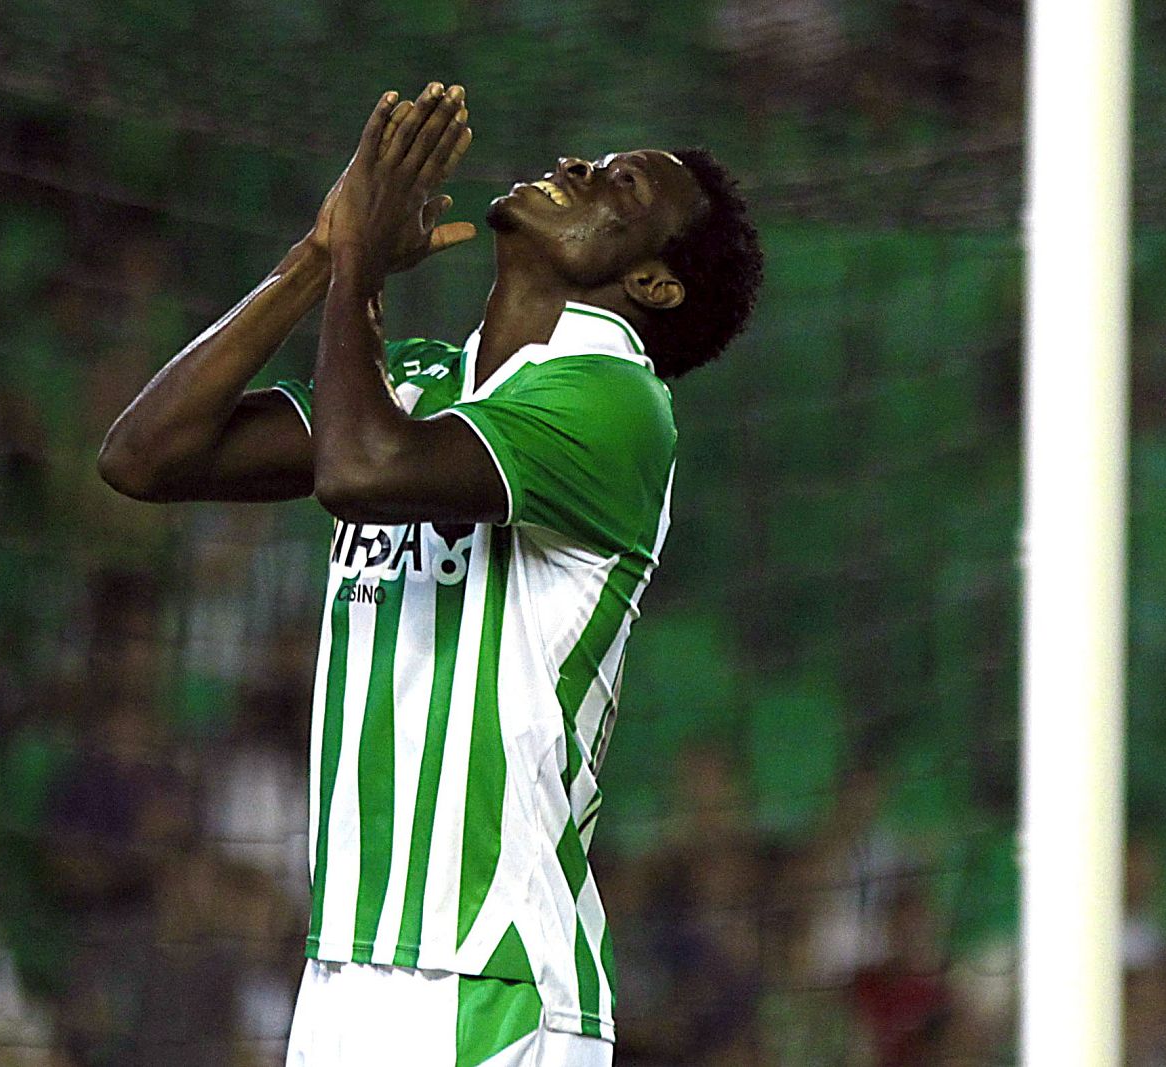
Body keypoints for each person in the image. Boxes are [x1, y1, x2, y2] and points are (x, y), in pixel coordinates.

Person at [98, 81, 763, 1067]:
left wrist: (360, 261)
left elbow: (362, 473)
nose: (579, 168)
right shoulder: (419, 381)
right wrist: (319, 255)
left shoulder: (616, 398)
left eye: (620, 186)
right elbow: (144, 456)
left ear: (656, 283)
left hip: (492, 981)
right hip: (342, 971)